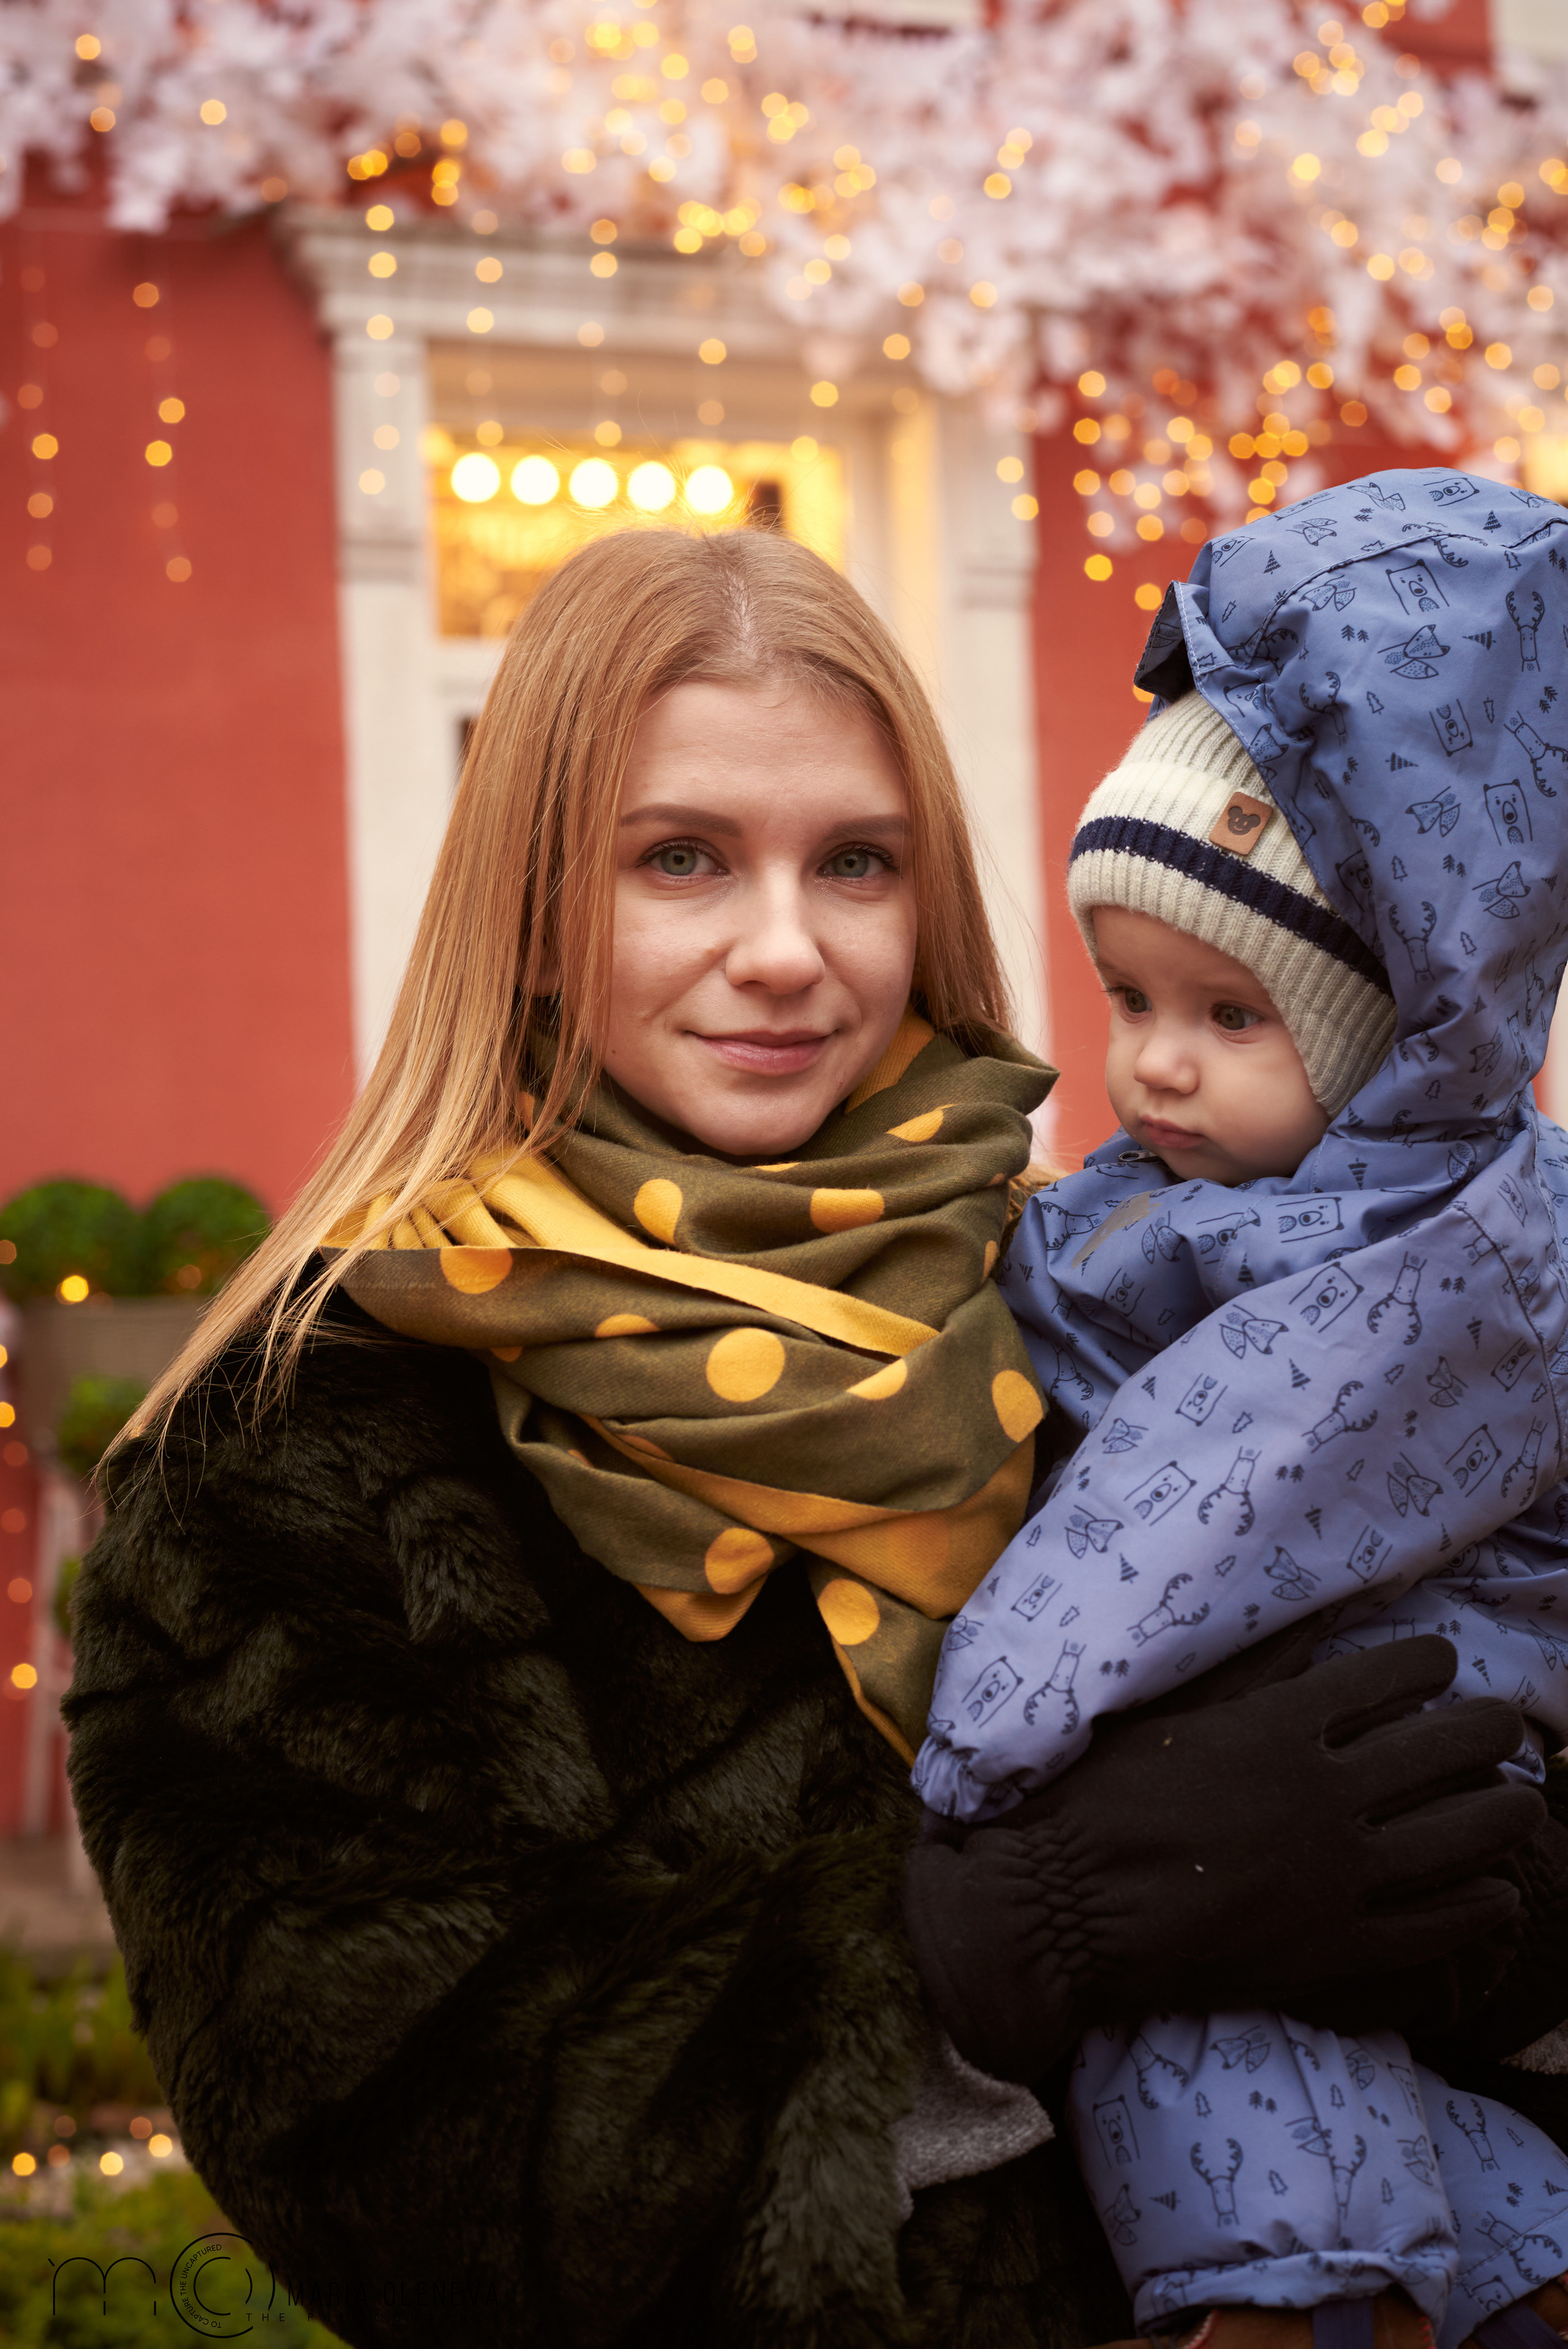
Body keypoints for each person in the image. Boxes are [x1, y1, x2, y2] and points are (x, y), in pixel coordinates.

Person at [64, 526, 1560, 2349]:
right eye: (680, 859)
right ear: (535, 913)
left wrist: (1493, 1904)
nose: (784, 950)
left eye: (855, 861)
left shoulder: (1107, 1290)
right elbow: (387, 2150)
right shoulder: (299, 1449)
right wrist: (1006, 1934)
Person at [913, 469, 1568, 2349]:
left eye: (1227, 1012)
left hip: (1388, 1752)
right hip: (1312, 1778)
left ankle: (1282, 2305)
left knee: (1213, 2034)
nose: (1150, 1063)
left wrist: (985, 1746)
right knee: (1358, 2076)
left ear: (1383, 1033)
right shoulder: (1201, 1197)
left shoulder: (1427, 1245)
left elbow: (1197, 1507)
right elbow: (1076, 1300)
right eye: (1124, 995)